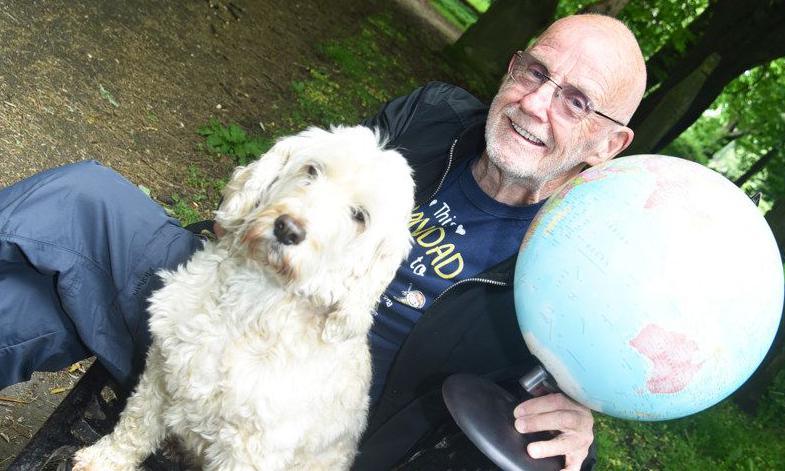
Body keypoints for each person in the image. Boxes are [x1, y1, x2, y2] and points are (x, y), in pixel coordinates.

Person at [0, 13, 645, 471]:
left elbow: (543, 422)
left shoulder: (571, 269)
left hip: (300, 424)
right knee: (85, 198)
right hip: (223, 305)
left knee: (40, 299)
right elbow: (308, 181)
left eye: (576, 102)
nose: (536, 103)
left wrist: (573, 441)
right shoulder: (436, 116)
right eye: (535, 70)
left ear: (608, 144)